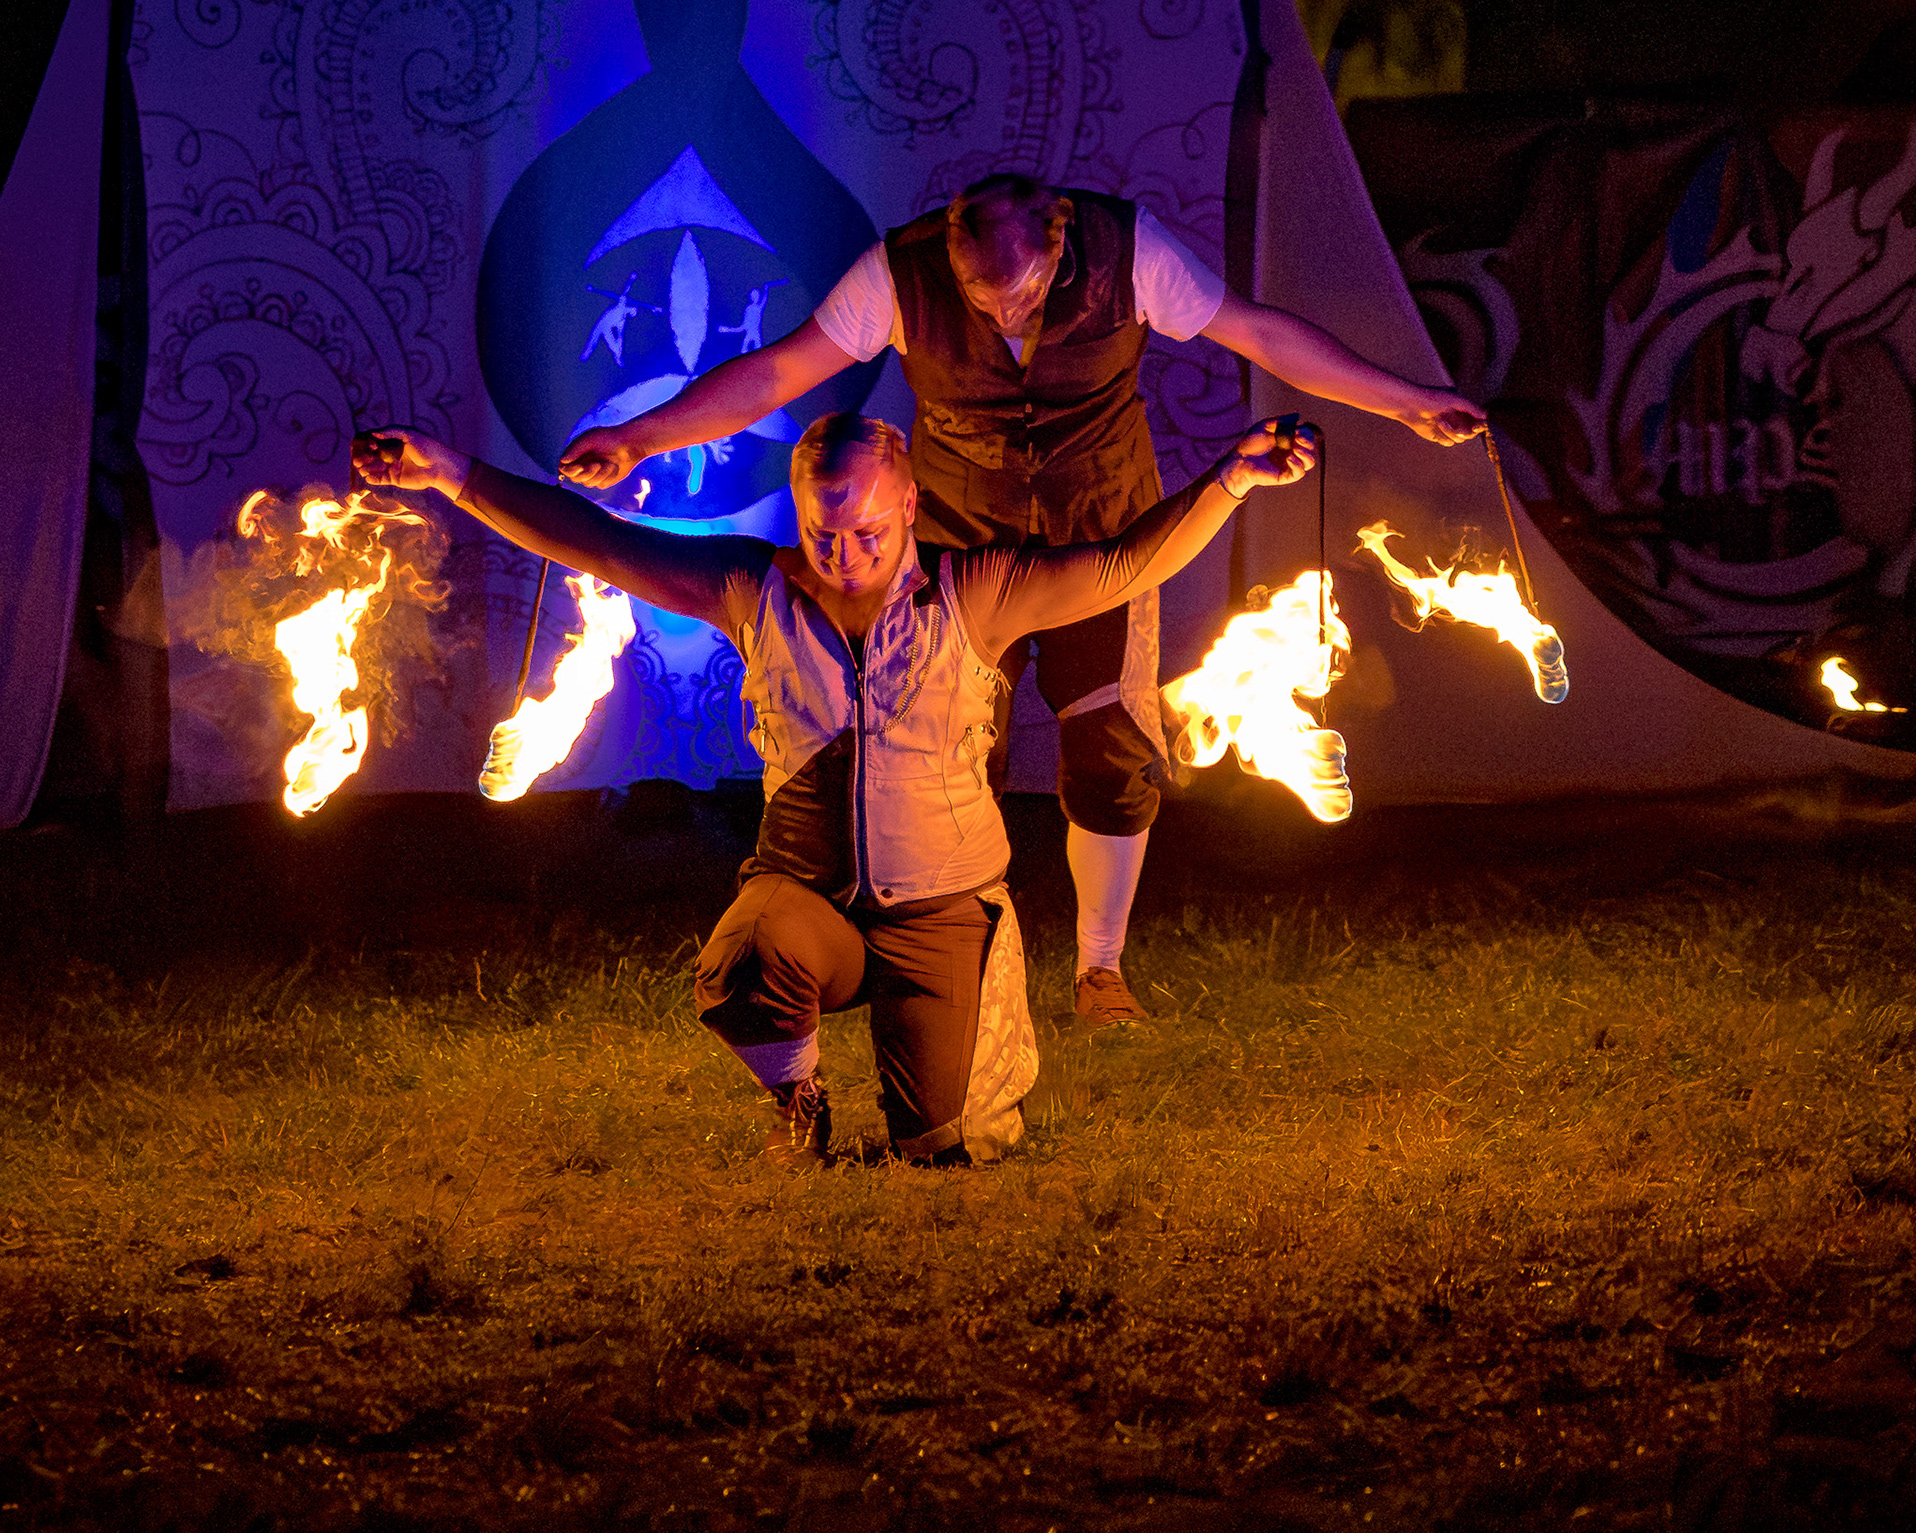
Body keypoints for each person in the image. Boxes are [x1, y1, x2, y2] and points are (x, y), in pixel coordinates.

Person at [558, 173, 1484, 1029]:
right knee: (951, 754)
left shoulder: (1131, 253)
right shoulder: (901, 272)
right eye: (982, 297)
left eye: (1028, 292)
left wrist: (1403, 402)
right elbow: (776, 373)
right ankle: (962, 965)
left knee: (1112, 749)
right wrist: (642, 436)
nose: (1006, 312)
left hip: (1102, 535)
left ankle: (1101, 970)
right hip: (962, 546)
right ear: (952, 257)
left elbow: (1263, 333)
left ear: (1060, 238)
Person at [352, 412, 1320, 1165]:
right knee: (741, 968)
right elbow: (595, 542)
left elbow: (1119, 565)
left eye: (862, 529)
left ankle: (976, 1032)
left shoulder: (975, 590)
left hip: (942, 906)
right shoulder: (751, 587)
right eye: (822, 530)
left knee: (943, 1148)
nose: (843, 551)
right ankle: (799, 1104)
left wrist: (1232, 477)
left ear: (906, 506)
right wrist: (451, 473)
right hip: (809, 891)